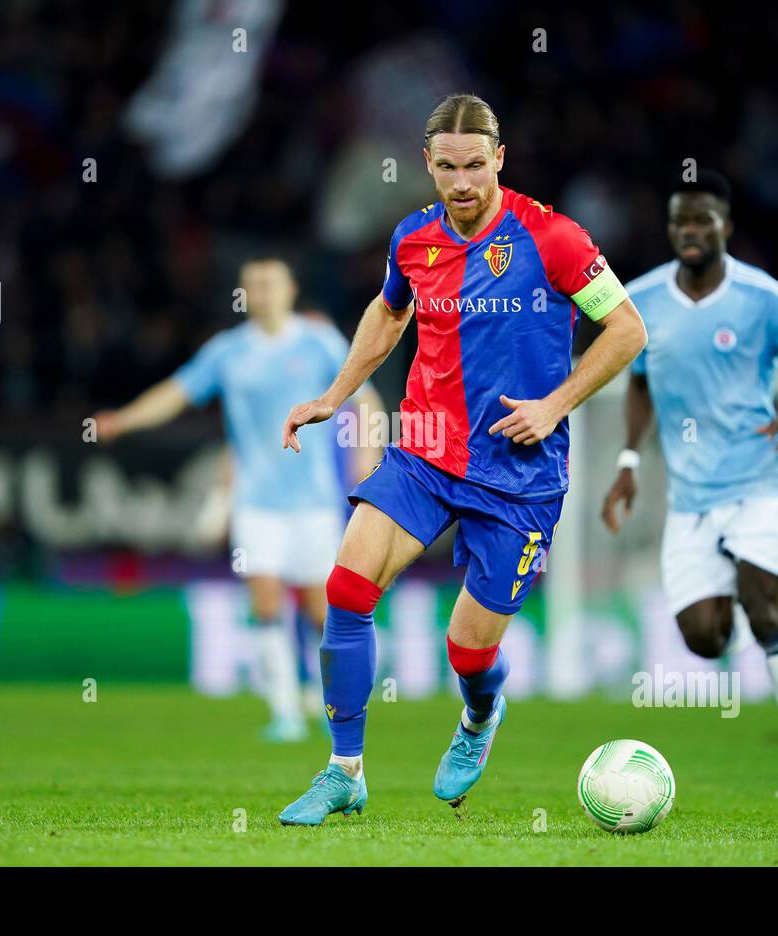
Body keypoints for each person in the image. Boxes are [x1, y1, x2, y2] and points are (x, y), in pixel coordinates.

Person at [276, 93, 647, 825]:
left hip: (520, 470)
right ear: (428, 165)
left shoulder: (557, 238)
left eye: (476, 166)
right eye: (447, 168)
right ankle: (343, 770)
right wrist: (336, 393)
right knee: (348, 589)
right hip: (426, 452)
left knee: (467, 651)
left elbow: (628, 329)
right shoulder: (412, 239)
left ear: (499, 159)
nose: (463, 183)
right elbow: (390, 312)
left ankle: (480, 717)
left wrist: (555, 404)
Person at [601, 169, 778, 797]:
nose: (690, 229)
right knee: (705, 638)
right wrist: (629, 463)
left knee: (762, 612)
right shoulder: (643, 300)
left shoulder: (766, 300)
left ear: (725, 226)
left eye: (702, 218)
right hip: (690, 496)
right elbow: (639, 381)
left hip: (759, 479)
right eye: (680, 218)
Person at [94, 258, 380, 742]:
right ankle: (285, 711)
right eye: (252, 286)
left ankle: (320, 692)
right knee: (266, 600)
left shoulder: (320, 343)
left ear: (290, 288)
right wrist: (123, 420)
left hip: (314, 502)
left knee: (319, 609)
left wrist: (365, 464)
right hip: (256, 502)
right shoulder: (227, 353)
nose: (261, 293)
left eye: (269, 283)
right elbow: (175, 393)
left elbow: (365, 398)